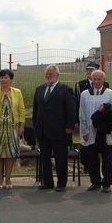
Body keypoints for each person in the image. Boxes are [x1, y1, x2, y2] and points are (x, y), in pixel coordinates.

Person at [33, 64, 76, 192]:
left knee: (60, 158)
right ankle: (47, 182)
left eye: (51, 73)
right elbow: (36, 110)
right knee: (45, 158)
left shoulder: (65, 89)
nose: (48, 75)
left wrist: (69, 126)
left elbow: (71, 109)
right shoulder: (39, 89)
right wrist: (36, 125)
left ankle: (61, 183)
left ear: (57, 75)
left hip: (59, 131)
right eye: (47, 73)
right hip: (43, 130)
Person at [78, 69, 112, 192]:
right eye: (95, 79)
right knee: (91, 158)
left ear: (104, 80)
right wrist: (84, 131)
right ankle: (95, 181)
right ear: (91, 80)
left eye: (99, 79)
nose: (97, 81)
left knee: (107, 158)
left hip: (105, 131)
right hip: (90, 131)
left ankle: (106, 183)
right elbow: (81, 114)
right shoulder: (85, 94)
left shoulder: (111, 94)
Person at [0, 69, 25, 189]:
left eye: (6, 77)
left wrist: (22, 125)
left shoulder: (17, 92)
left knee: (10, 154)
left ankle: (8, 179)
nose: (3, 80)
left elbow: (21, 109)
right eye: (1, 77)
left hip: (12, 128)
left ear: (11, 80)